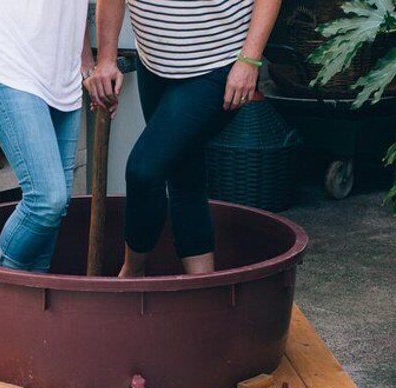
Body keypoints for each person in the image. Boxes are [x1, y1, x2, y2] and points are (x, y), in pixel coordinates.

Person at [85, 0, 283, 276]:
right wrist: (106, 60)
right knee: (184, 175)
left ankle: (130, 274)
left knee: (145, 170)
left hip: (218, 66)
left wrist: (249, 60)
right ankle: (202, 289)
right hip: (155, 66)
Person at [0, 0, 93, 272]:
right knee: (47, 199)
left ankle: (33, 303)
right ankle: (1, 287)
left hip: (61, 73)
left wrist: (87, 62)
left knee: (57, 207)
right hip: (5, 61)